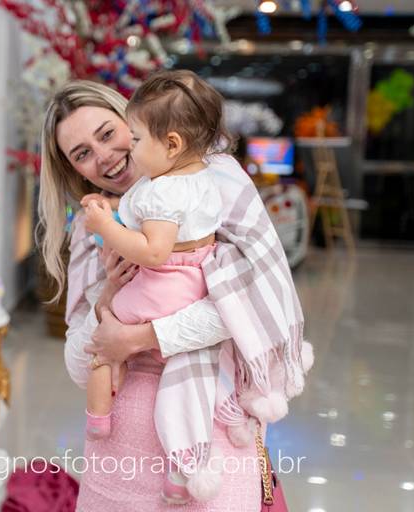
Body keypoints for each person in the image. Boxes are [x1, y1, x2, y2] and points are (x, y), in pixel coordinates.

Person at [39, 78, 308, 511]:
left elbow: (250, 306)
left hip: (211, 441)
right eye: (82, 154)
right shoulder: (94, 229)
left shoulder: (212, 185)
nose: (104, 156)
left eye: (108, 134)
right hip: (118, 455)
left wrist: (142, 337)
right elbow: (78, 366)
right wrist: (108, 297)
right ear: (74, 170)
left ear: (138, 124)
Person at [77, 70, 237, 504]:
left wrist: (104, 226)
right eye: (82, 153)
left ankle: (98, 416)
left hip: (164, 285)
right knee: (182, 385)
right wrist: (111, 210)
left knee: (104, 335)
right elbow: (149, 216)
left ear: (171, 144)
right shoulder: (200, 178)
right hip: (188, 283)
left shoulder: (163, 190)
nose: (126, 150)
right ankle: (180, 470)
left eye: (131, 138)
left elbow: (153, 250)